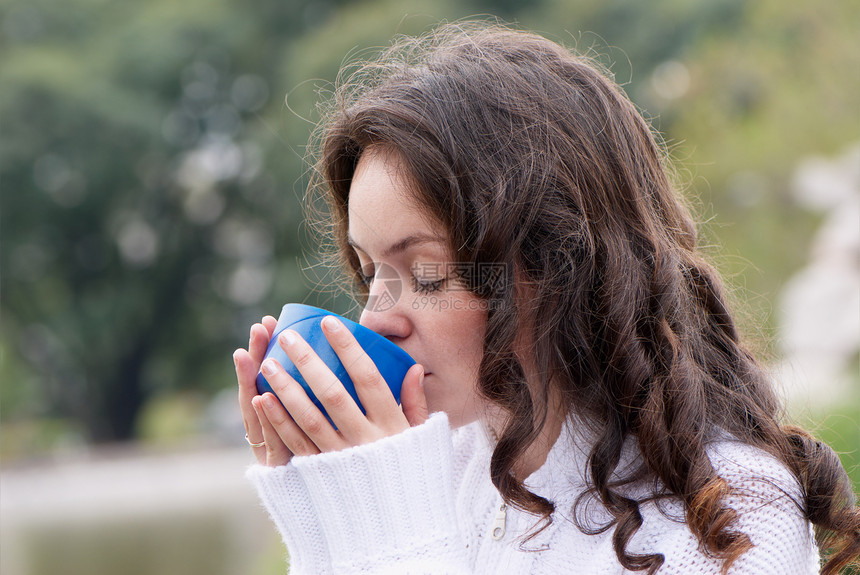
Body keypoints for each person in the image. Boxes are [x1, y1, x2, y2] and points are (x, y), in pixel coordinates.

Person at [232, 22, 859, 575]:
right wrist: (322, 516)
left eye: (425, 274)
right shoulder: (440, 464)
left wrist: (396, 540)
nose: (374, 318)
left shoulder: (732, 517)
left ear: (559, 267)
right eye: (370, 272)